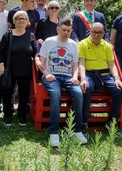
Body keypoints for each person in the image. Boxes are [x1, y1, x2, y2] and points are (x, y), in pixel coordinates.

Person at [35, 18, 86, 147]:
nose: (66, 32)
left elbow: (75, 65)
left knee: (78, 93)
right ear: (58, 29)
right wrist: (47, 74)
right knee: (56, 94)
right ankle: (54, 132)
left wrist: (75, 77)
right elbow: (41, 62)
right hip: (51, 76)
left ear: (71, 31)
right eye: (63, 30)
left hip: (68, 77)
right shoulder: (49, 41)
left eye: (68, 30)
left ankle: (77, 130)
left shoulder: (73, 44)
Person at [78, 22, 122, 129]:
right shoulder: (82, 44)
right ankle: (84, 122)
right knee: (87, 88)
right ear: (90, 31)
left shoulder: (107, 46)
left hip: (104, 75)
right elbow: (81, 63)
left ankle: (111, 122)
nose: (96, 35)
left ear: (103, 33)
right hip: (89, 74)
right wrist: (83, 78)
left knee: (119, 90)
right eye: (93, 32)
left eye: (99, 32)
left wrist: (117, 78)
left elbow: (112, 64)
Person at [0, 10, 37, 126]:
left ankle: (21, 115)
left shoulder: (31, 35)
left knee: (24, 93)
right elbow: (1, 52)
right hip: (10, 69)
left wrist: (38, 60)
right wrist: (1, 65)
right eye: (18, 18)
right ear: (14, 21)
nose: (21, 20)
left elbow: (35, 52)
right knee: (8, 93)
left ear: (27, 22)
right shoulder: (8, 35)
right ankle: (7, 114)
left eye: (23, 18)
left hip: (25, 69)